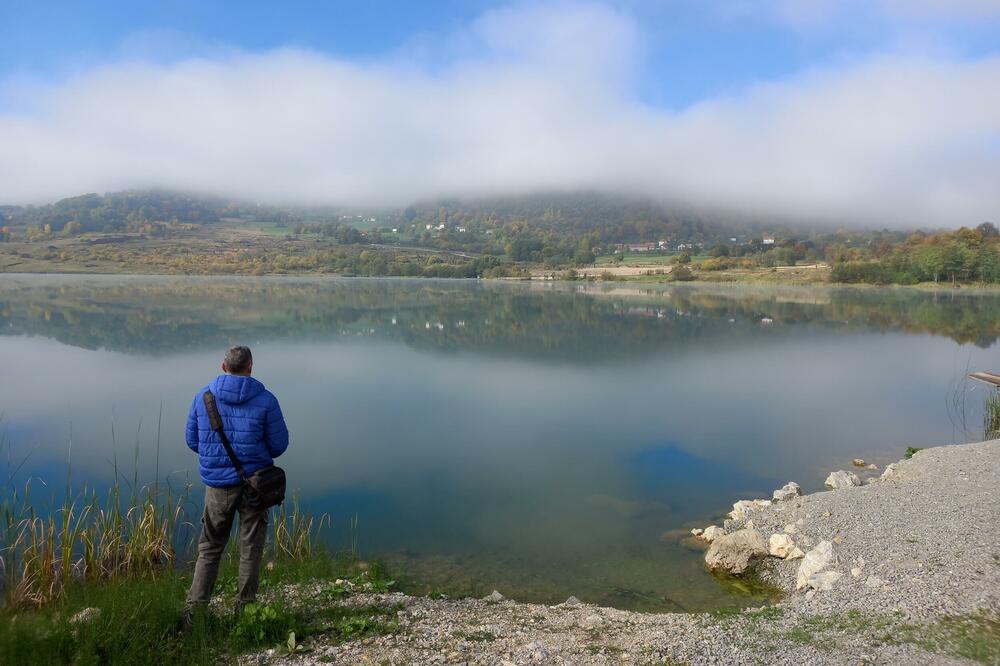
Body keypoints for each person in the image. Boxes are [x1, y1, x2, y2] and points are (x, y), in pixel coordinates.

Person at [182, 345, 288, 623]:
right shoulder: (266, 400)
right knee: (250, 548)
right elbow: (279, 446)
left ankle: (195, 613)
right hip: (256, 485)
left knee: (210, 547)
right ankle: (245, 611)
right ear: (250, 367)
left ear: (222, 367)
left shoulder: (203, 398)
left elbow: (193, 441)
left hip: (218, 487)